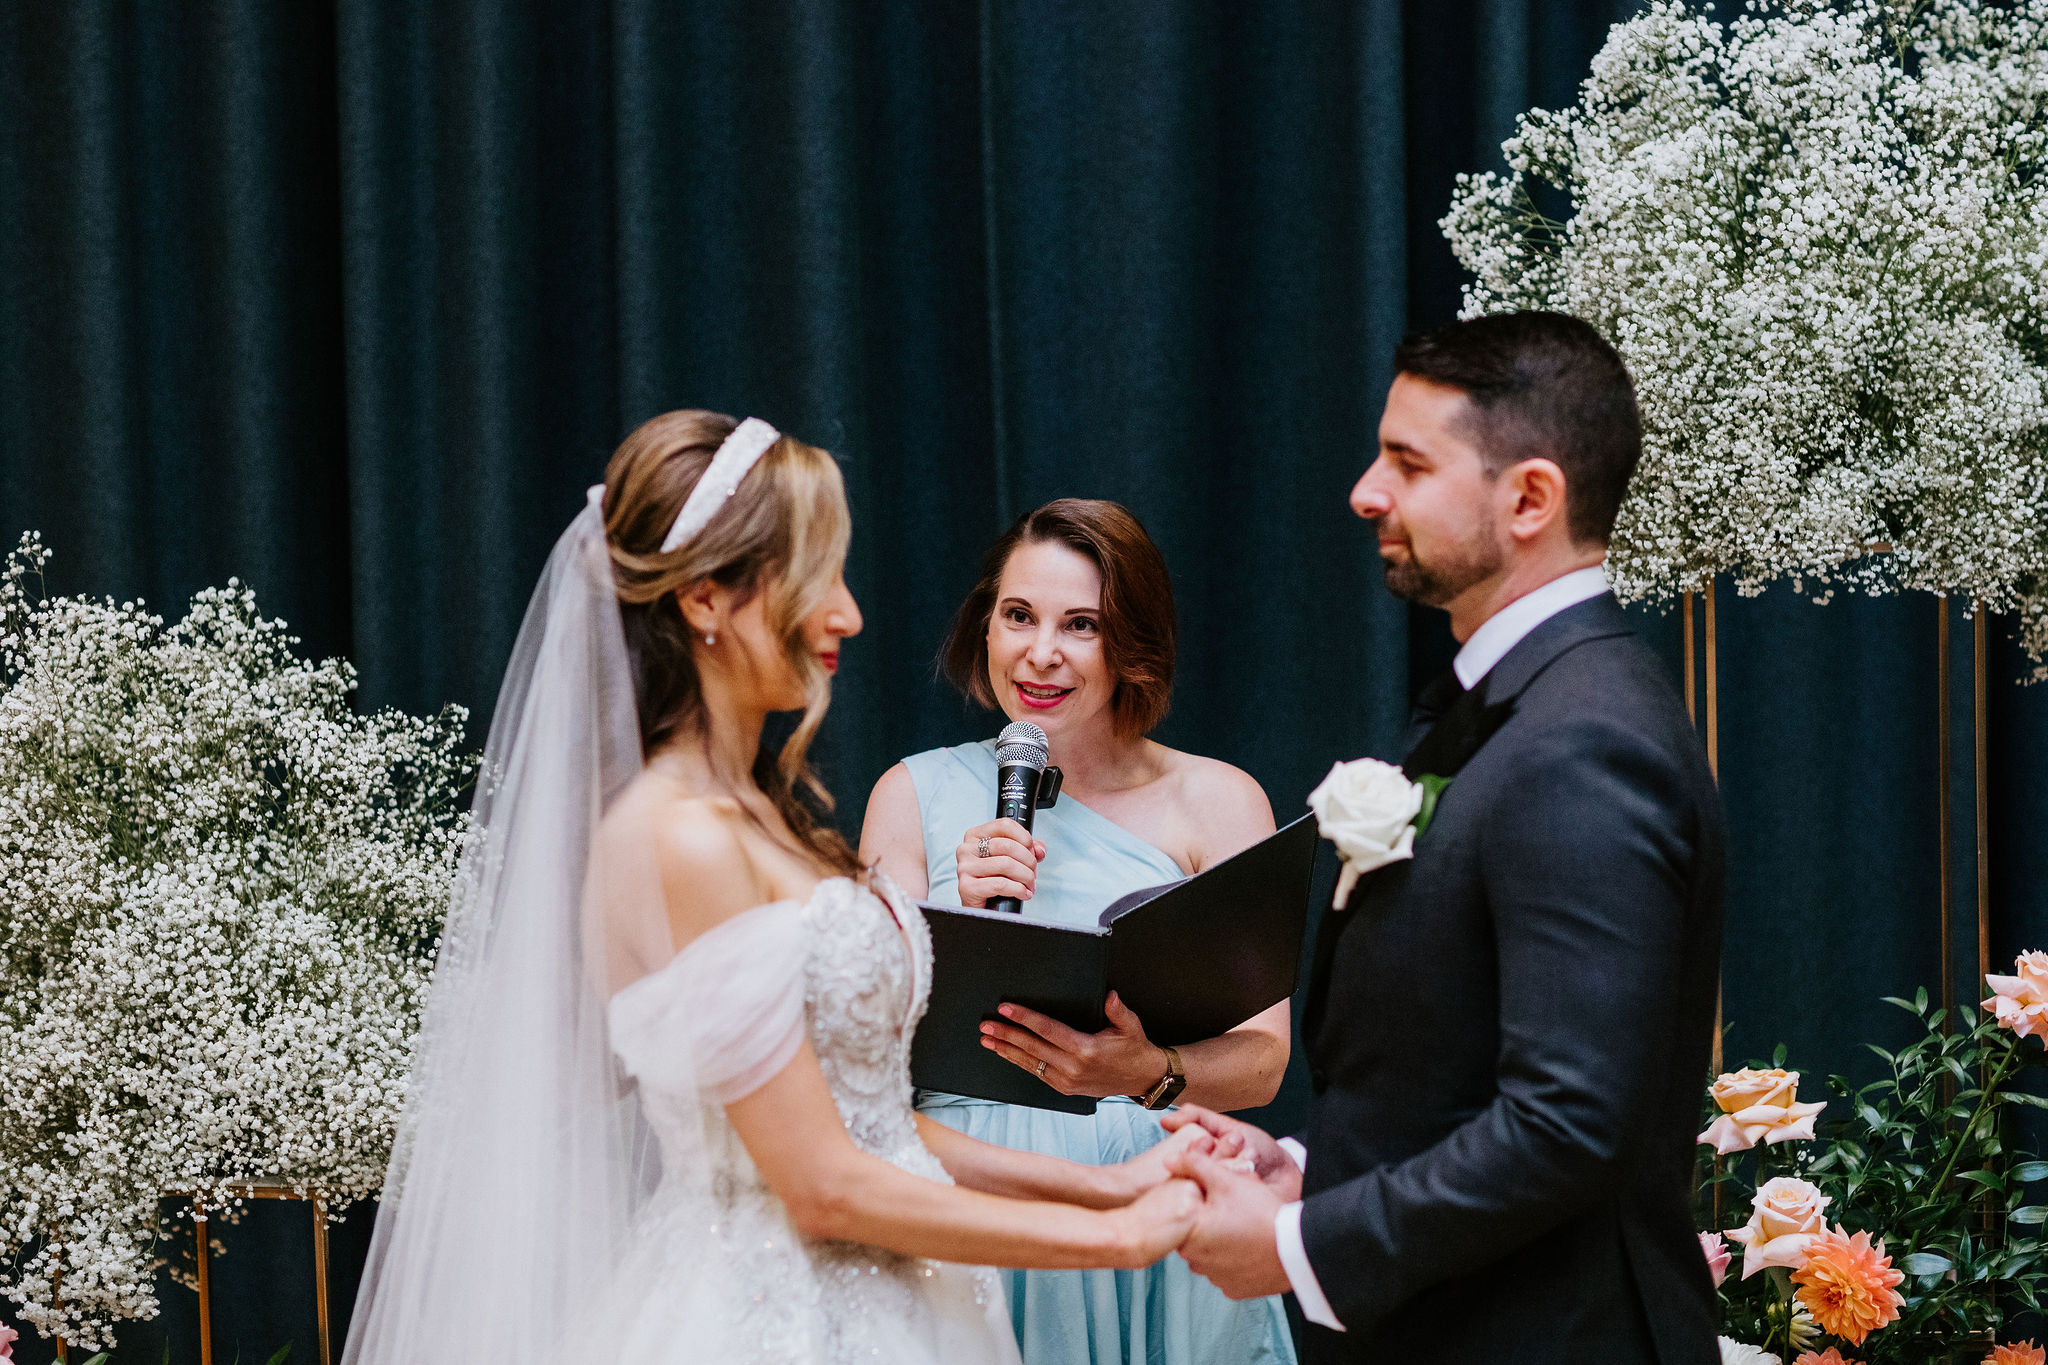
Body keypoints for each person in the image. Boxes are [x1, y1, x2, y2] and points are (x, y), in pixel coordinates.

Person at [340, 413, 1211, 1365]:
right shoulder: (678, 834)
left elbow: (870, 1123)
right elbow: (823, 1184)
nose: (847, 614)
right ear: (707, 600)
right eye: (817, 577)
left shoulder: (761, 811)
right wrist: (1119, 1240)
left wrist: (1109, 1187)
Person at [1157, 313, 1725, 1364]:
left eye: (1406, 464)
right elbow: (1443, 1066)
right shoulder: (1515, 705)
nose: (1364, 492)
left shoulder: (1583, 742)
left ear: (1528, 500)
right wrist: (1306, 1168)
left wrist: (1299, 1243)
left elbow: (1566, 1126)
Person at [861, 498, 1299, 1365]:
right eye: (1018, 615)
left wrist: (1148, 1072)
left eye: (1082, 624)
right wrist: (960, 934)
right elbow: (862, 1059)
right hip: (975, 1204)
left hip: (1156, 1200)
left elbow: (1264, 1061)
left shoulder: (1219, 801)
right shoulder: (908, 796)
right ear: (984, 625)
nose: (1042, 652)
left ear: (1130, 642)